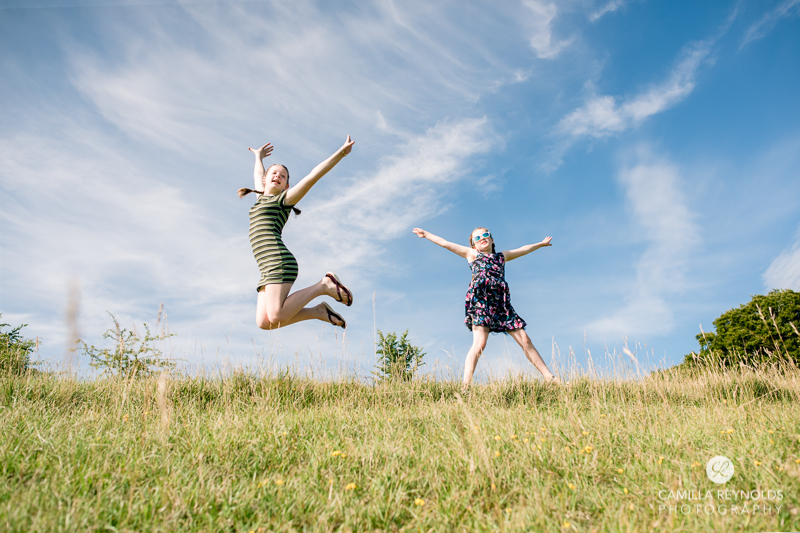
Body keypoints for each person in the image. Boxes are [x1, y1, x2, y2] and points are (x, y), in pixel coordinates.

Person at [412, 226, 559, 387]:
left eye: (485, 234)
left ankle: (550, 378)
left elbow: (523, 249)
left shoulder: (501, 257)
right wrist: (426, 234)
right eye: (477, 237)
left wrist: (540, 244)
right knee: (480, 343)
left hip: (501, 303)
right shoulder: (472, 254)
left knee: (524, 338)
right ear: (474, 245)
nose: (482, 238)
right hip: (480, 301)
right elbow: (445, 243)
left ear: (491, 239)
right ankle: (466, 386)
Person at [239, 136, 355, 330]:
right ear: (265, 180)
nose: (277, 176)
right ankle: (318, 312)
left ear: (286, 186)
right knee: (265, 322)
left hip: (278, 262)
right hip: (266, 268)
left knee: (277, 315)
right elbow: (258, 172)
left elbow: (313, 176)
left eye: (283, 176)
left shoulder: (283, 200)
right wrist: (258, 157)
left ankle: (324, 285)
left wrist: (341, 153)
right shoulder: (261, 199)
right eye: (274, 173)